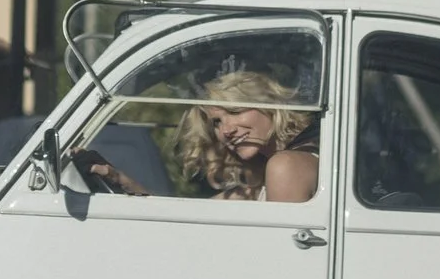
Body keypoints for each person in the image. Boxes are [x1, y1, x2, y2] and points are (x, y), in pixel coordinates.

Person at [76, 69, 320, 202]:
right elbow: (185, 222)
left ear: (270, 105)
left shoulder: (286, 166)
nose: (226, 130)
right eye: (216, 122)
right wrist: (119, 179)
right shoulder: (266, 178)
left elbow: (282, 258)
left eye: (235, 111)